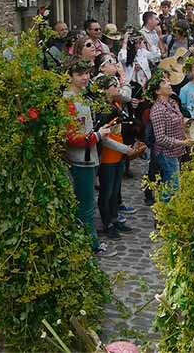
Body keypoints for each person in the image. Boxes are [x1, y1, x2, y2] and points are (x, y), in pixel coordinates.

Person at [63, 60, 116, 258]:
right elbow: (71, 137)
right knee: (85, 205)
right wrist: (98, 136)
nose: (85, 77)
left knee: (87, 203)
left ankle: (86, 243)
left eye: (86, 73)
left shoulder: (83, 97)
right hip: (80, 159)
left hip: (89, 158)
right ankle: (90, 246)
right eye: (80, 74)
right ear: (70, 76)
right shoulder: (68, 101)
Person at [93, 76, 136, 240]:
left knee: (115, 190)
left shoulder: (115, 104)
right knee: (107, 191)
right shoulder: (103, 109)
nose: (117, 88)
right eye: (113, 86)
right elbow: (105, 138)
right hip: (108, 156)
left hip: (118, 155)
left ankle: (114, 217)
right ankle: (107, 223)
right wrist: (125, 149)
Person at [149, 74, 190, 202]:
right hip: (167, 154)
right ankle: (164, 217)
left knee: (173, 185)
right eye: (164, 83)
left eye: (168, 81)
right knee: (172, 187)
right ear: (157, 91)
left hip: (176, 151)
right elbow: (160, 138)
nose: (169, 83)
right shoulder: (158, 110)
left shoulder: (172, 102)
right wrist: (183, 142)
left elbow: (180, 120)